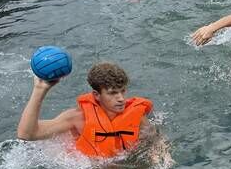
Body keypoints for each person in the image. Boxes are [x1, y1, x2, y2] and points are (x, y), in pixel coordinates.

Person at [17, 62, 154, 159]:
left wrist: (158, 155)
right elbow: (27, 134)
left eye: (122, 91)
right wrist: (40, 89)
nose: (121, 99)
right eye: (112, 93)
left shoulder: (136, 115)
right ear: (97, 95)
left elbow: (153, 139)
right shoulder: (77, 117)